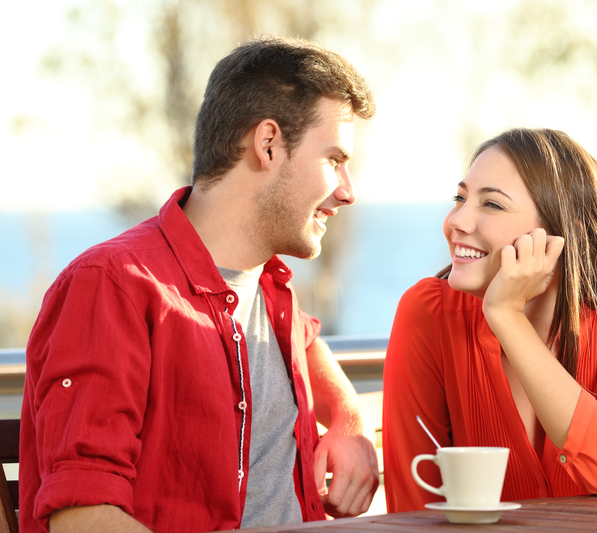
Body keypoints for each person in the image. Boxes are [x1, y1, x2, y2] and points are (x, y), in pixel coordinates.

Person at [20, 35, 379, 532]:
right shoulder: (113, 287)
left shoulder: (270, 289)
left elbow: (307, 341)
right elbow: (84, 516)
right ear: (268, 143)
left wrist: (348, 421)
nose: (348, 191)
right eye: (334, 159)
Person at [382, 128, 597, 512]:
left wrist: (507, 318)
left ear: (563, 231)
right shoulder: (429, 312)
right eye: (460, 198)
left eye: (491, 205)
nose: (457, 220)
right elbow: (411, 506)